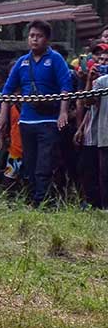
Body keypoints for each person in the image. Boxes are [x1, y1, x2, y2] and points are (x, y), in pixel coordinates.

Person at [0, 20, 71, 207]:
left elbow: (66, 87)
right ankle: (32, 200)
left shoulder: (55, 59)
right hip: (26, 121)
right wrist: (3, 115)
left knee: (44, 164)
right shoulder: (22, 62)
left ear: (47, 39)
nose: (34, 39)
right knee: (29, 163)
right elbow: (7, 89)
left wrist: (63, 113)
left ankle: (43, 202)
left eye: (39, 36)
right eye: (32, 36)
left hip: (49, 121)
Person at [75, 49, 107, 208]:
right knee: (93, 171)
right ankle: (96, 205)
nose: (103, 63)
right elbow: (89, 105)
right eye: (100, 60)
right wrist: (89, 80)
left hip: (102, 133)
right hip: (97, 133)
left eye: (106, 60)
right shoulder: (99, 82)